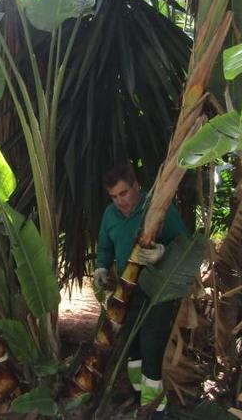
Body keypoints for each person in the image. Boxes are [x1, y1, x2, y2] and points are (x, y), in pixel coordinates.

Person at [94, 163, 189, 417]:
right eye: (114, 197)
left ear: (136, 186)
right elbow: (104, 247)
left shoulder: (158, 209)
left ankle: (156, 410)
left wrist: (162, 253)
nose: (120, 202)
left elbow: (186, 244)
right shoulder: (110, 215)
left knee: (151, 348)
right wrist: (101, 269)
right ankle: (139, 397)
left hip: (157, 292)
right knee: (132, 348)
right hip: (126, 293)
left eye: (123, 193)